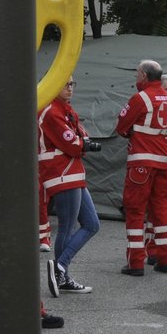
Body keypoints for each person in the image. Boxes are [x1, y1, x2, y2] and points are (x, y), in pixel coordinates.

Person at [115, 60, 167, 277]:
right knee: (161, 210)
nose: (136, 78)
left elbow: (121, 127)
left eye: (137, 74)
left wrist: (135, 132)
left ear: (144, 75)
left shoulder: (140, 98)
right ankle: (166, 259)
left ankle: (135, 263)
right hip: (163, 162)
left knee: (135, 211)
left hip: (142, 162)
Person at [39, 78, 98, 295]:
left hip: (73, 173)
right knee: (67, 226)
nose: (70, 88)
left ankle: (61, 267)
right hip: (61, 173)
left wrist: (81, 143)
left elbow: (82, 137)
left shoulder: (65, 110)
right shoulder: (51, 111)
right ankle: (60, 270)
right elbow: (73, 144)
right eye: (65, 84)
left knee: (92, 224)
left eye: (73, 84)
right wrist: (82, 145)